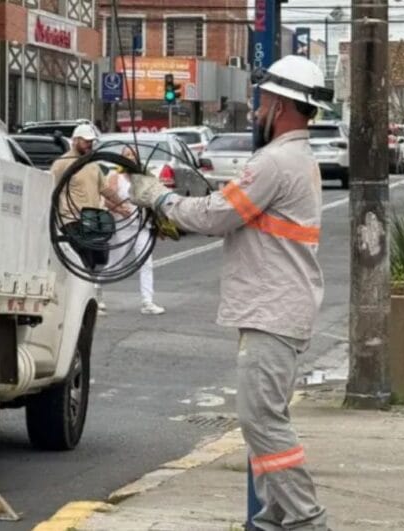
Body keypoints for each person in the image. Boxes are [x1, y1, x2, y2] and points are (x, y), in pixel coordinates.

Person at [127, 55, 331, 531]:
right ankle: (274, 519)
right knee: (264, 423)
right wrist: (181, 207)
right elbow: (232, 211)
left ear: (280, 106)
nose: (257, 110)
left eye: (263, 101)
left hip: (272, 310)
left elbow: (217, 215)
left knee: (262, 421)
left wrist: (158, 198)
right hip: (278, 307)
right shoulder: (294, 159)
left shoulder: (275, 162)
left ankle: (305, 520)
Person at [49, 124, 119, 275]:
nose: (89, 144)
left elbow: (104, 189)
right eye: (86, 141)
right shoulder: (62, 164)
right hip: (71, 219)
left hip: (92, 220)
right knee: (84, 258)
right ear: (75, 140)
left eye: (91, 141)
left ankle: (90, 283)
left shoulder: (92, 164)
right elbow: (50, 189)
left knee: (99, 258)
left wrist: (121, 204)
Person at [103, 146, 165, 315]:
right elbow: (105, 198)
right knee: (115, 264)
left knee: (146, 263)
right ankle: (95, 293)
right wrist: (119, 209)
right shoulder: (115, 177)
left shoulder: (143, 176)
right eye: (127, 155)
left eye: (133, 155)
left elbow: (154, 199)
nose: (130, 157)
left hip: (142, 226)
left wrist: (159, 224)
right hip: (122, 226)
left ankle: (147, 302)